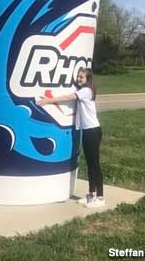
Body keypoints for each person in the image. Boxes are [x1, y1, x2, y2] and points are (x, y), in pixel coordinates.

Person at [36, 67, 105, 207]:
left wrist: (49, 100)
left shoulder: (86, 91)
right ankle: (91, 194)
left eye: (82, 77)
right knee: (90, 164)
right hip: (87, 131)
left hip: (92, 131)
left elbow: (68, 97)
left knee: (95, 165)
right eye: (78, 76)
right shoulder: (84, 90)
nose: (79, 78)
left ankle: (100, 197)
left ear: (88, 79)